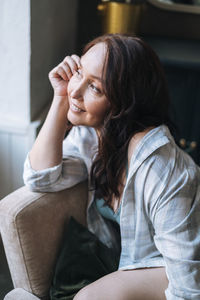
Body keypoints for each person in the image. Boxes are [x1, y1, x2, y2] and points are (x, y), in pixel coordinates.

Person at [23, 34, 200, 300]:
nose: (75, 90)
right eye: (78, 72)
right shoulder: (93, 136)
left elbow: (188, 286)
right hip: (137, 264)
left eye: (95, 88)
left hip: (181, 266)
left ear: (124, 102)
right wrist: (60, 97)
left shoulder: (160, 168)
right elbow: (40, 178)